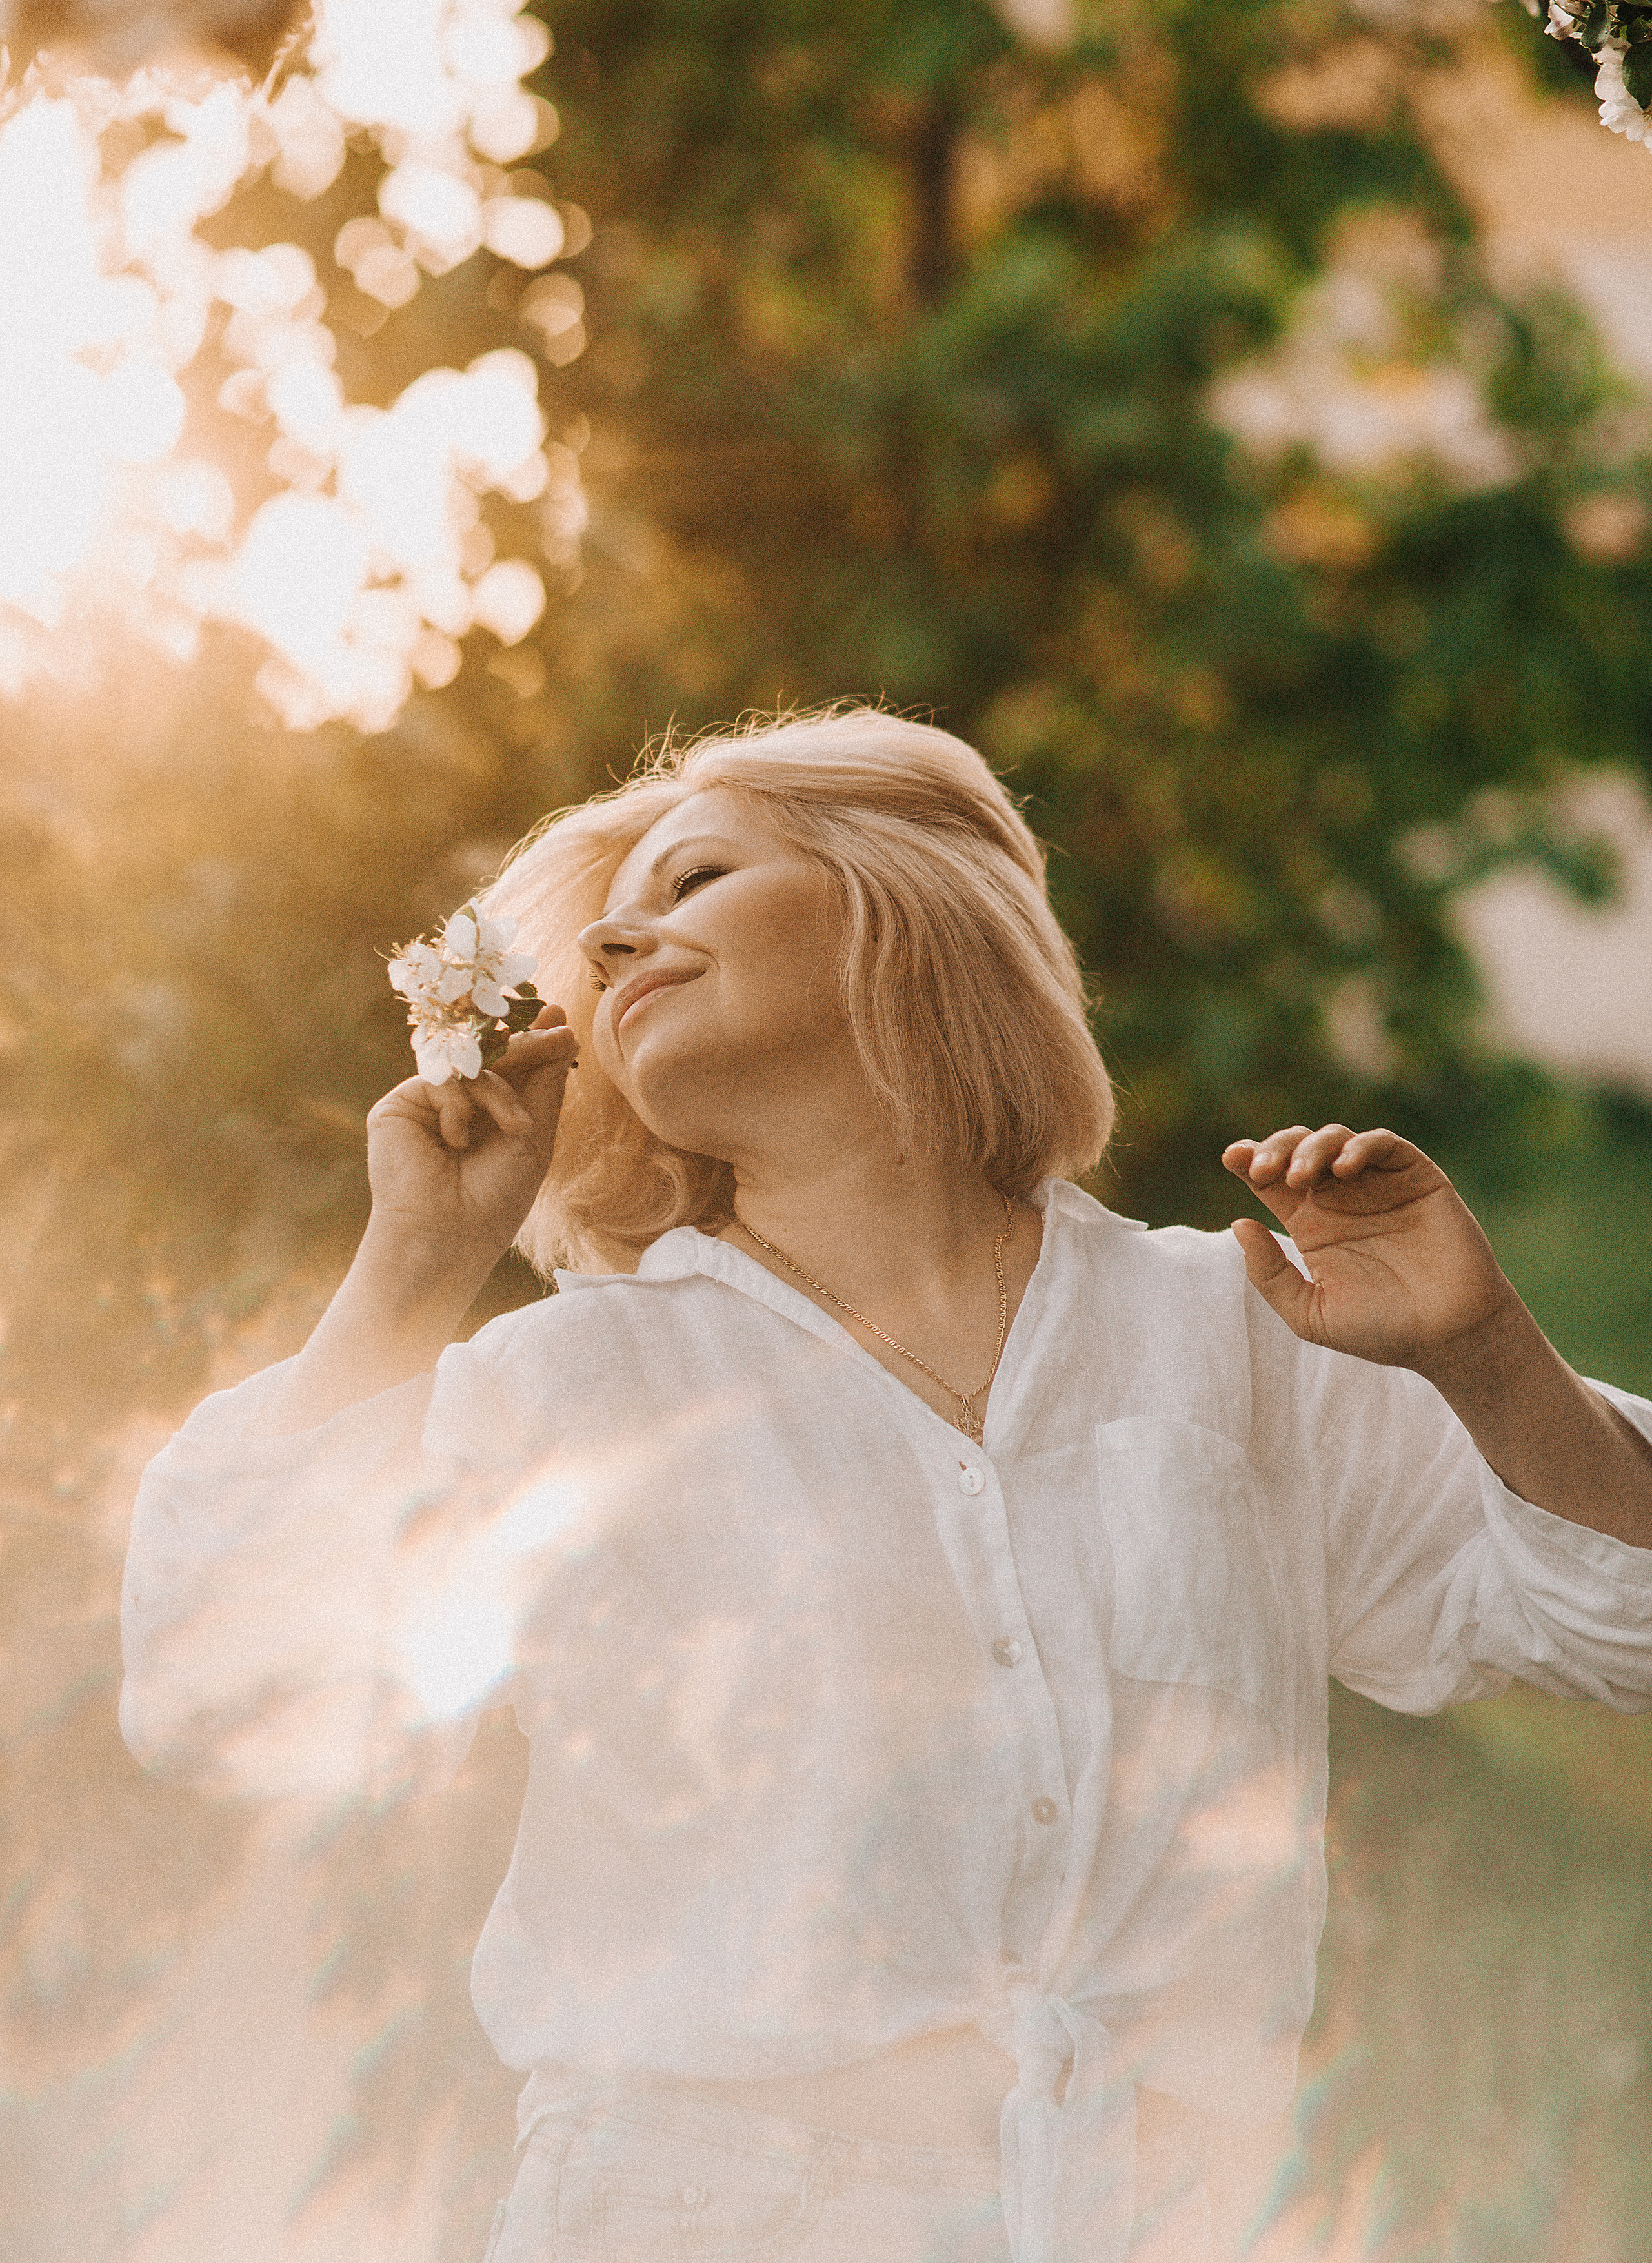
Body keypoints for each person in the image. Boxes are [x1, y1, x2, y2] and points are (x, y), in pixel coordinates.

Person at [120, 706, 1652, 2263]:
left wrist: (1483, 1354)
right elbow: (222, 1697)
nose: (626, 935)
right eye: (603, 938)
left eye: (698, 874)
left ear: (901, 902)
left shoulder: (1236, 1330)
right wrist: (410, 1269)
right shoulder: (563, 1392)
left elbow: (1623, 1634)